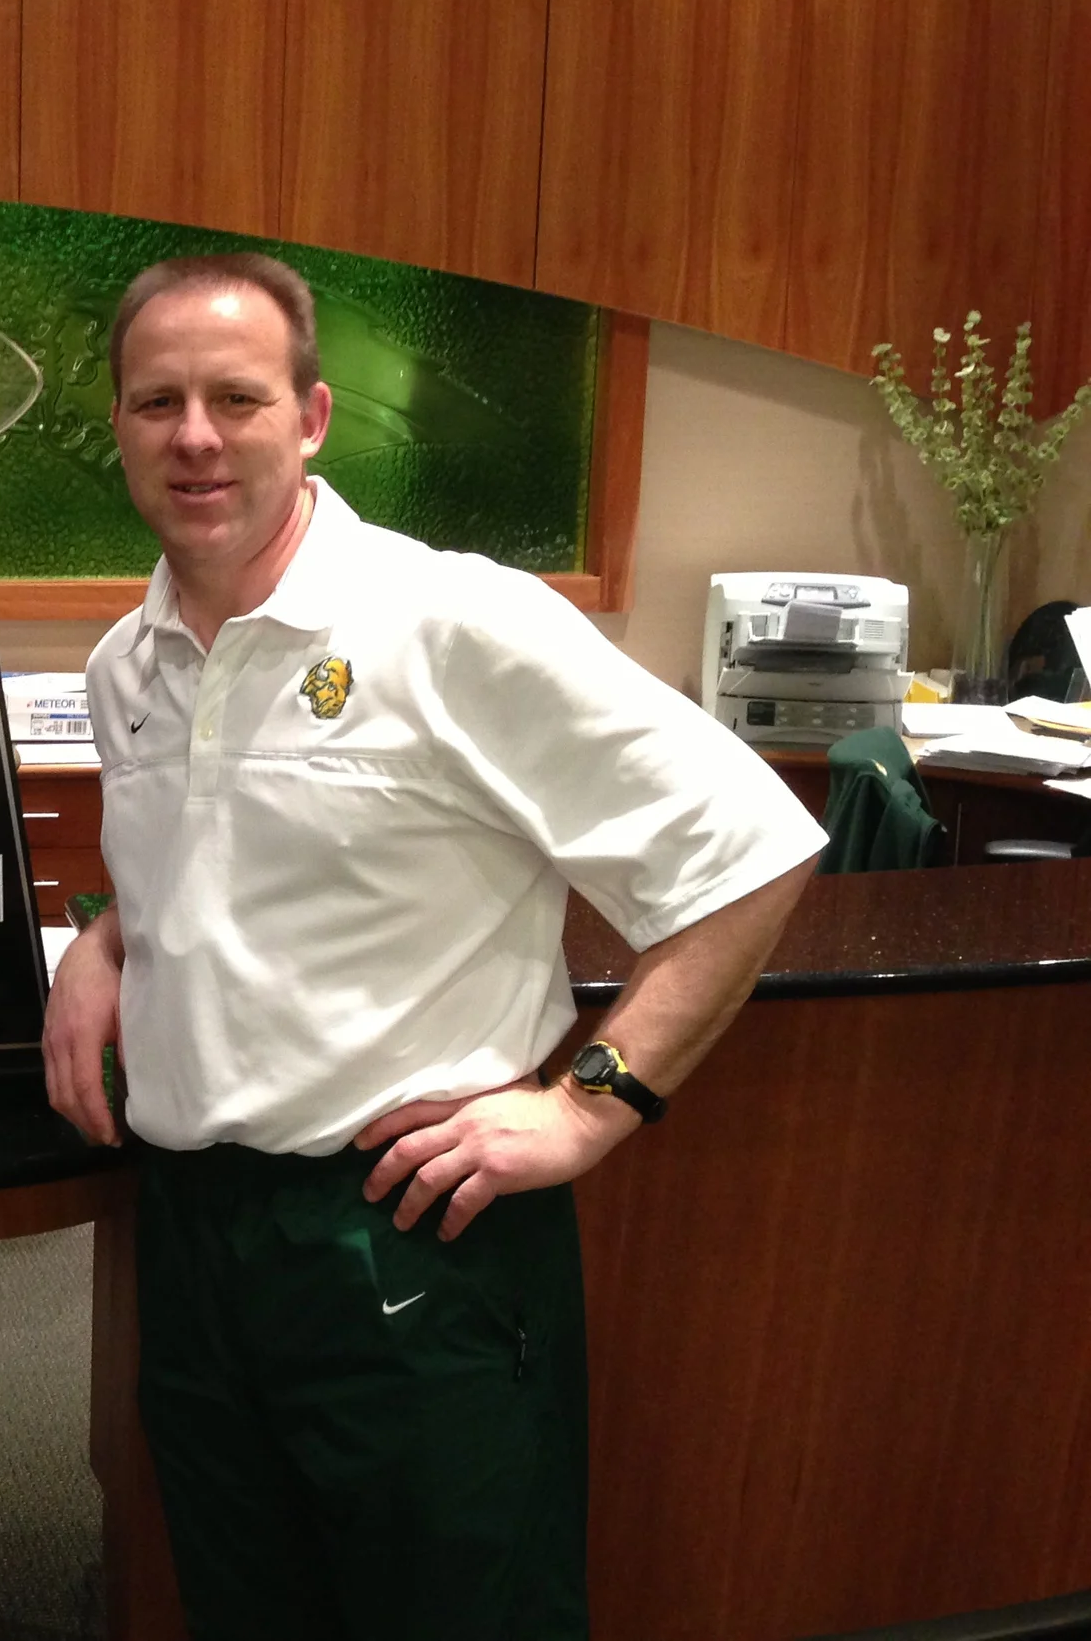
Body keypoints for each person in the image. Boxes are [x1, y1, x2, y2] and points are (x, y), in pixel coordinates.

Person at [41, 254, 824, 1640]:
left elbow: (749, 848)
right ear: (119, 428)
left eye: (237, 396)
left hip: (407, 1239)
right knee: (244, 1606)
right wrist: (110, 935)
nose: (198, 436)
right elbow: (224, 854)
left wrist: (593, 1105)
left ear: (315, 416)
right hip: (198, 1243)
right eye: (157, 402)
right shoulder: (129, 665)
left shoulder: (450, 622)